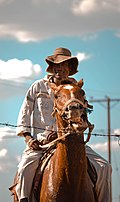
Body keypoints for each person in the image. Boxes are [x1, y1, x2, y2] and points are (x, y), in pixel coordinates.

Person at [14, 47, 111, 202]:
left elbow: (84, 115)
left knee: (105, 167)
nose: (59, 68)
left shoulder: (77, 89)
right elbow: (24, 114)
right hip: (42, 144)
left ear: (69, 69)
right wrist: (28, 139)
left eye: (64, 65)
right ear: (52, 68)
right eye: (56, 65)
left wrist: (84, 122)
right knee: (24, 169)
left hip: (72, 141)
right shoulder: (38, 87)